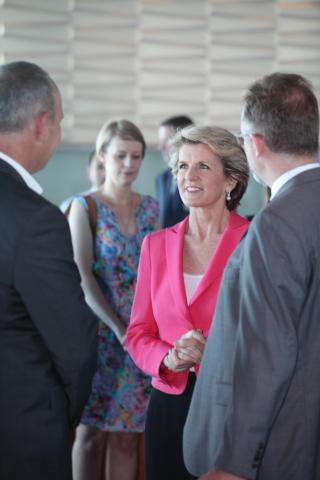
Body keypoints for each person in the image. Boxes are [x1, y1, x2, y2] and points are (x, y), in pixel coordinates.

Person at [183, 73, 320, 480]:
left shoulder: (277, 223)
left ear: (256, 143)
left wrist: (234, 463)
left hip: (281, 444)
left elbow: (267, 351)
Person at [126, 125, 250, 480]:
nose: (188, 176)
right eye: (181, 166)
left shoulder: (255, 242)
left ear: (231, 180)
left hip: (233, 403)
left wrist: (215, 351)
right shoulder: (155, 244)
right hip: (170, 399)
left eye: (203, 167)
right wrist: (169, 357)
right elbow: (138, 333)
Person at [0, 61, 98, 480]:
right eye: (58, 120)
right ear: (42, 124)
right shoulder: (36, 219)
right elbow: (75, 347)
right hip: (22, 429)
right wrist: (64, 416)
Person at [69, 119, 159, 480]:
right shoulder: (85, 206)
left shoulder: (151, 208)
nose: (129, 164)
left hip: (139, 338)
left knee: (127, 435)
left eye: (136, 156)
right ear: (103, 156)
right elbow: (83, 277)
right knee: (89, 433)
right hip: (98, 335)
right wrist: (117, 327)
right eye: (120, 155)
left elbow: (157, 275)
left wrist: (142, 330)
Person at [156, 115, 193, 227]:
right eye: (160, 141)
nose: (160, 147)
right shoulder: (162, 178)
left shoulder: (197, 176)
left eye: (167, 140)